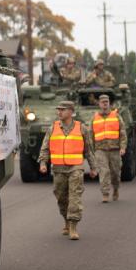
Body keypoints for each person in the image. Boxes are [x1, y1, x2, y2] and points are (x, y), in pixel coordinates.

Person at [38, 100, 97, 240]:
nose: (59, 112)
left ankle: (73, 227)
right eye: (58, 109)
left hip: (75, 167)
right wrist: (43, 163)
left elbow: (89, 150)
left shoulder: (82, 128)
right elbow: (45, 147)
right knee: (61, 198)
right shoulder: (52, 128)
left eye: (62, 110)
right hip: (58, 169)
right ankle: (66, 220)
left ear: (71, 111)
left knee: (74, 197)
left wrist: (93, 167)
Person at [91, 94, 127, 202]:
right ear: (99, 104)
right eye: (103, 102)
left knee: (115, 173)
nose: (105, 104)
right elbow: (90, 135)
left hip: (114, 149)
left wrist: (123, 147)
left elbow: (122, 133)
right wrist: (91, 150)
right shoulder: (94, 117)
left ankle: (115, 188)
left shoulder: (116, 116)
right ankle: (105, 193)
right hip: (100, 149)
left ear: (109, 103)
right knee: (104, 171)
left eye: (106, 102)